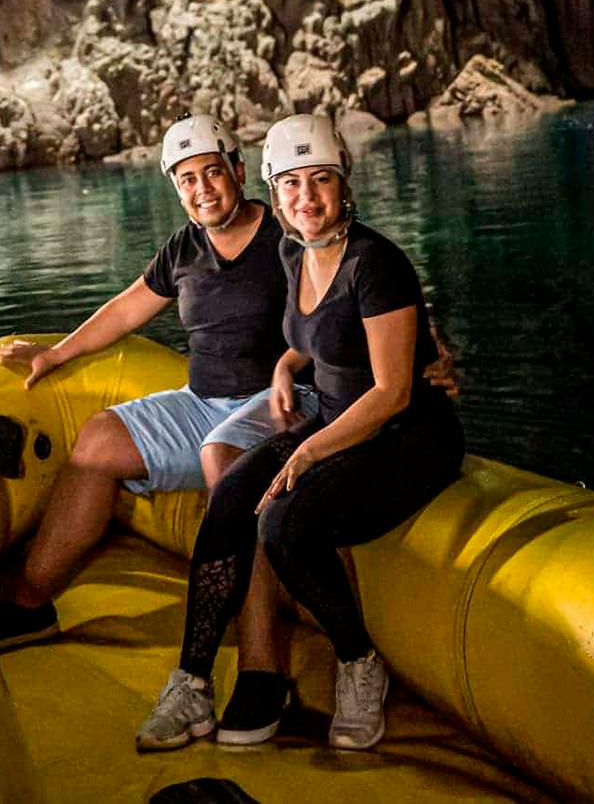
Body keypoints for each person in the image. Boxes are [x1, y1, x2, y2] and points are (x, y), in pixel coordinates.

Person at [135, 112, 464, 754]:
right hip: (339, 423)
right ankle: (192, 679)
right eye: (290, 185)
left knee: (285, 526)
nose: (306, 199)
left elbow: (394, 390)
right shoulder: (294, 251)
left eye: (320, 181)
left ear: (344, 184)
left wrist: (309, 448)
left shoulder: (377, 263)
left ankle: (359, 663)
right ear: (274, 192)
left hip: (406, 435)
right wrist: (288, 365)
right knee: (231, 495)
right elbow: (314, 339)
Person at [0, 112, 320, 739]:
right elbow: (128, 308)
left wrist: (421, 347)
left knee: (235, 480)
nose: (202, 189)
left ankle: (263, 675)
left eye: (212, 173)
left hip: (278, 404)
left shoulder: (286, 232)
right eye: (187, 179)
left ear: (239, 173)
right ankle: (31, 599)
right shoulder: (184, 248)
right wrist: (56, 353)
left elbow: (356, 287)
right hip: (203, 402)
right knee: (98, 441)